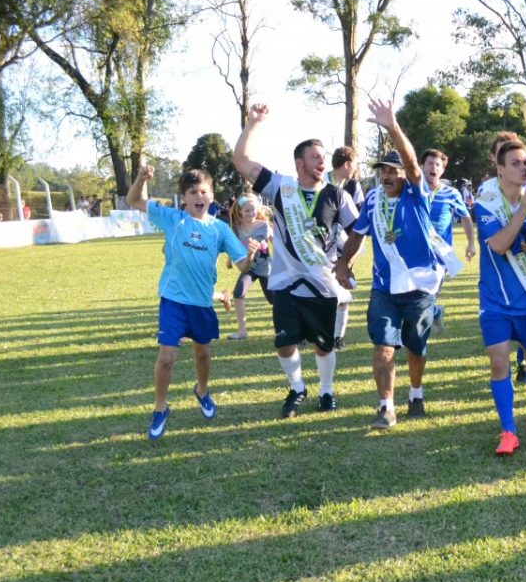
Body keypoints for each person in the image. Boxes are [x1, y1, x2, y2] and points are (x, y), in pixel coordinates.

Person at [335, 99, 460, 428]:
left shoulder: (418, 193)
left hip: (419, 286)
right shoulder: (374, 198)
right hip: (383, 286)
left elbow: (414, 165)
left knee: (415, 347)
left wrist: (392, 126)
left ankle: (415, 394)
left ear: (406, 175)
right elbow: (357, 234)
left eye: (394, 170)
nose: (388, 175)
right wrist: (344, 263)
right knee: (383, 346)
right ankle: (385, 406)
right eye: (383, 170)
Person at [232, 103, 359, 418]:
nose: (322, 161)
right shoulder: (280, 187)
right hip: (286, 281)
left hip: (323, 282)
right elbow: (241, 160)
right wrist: (253, 124)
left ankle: (326, 392)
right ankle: (297, 388)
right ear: (299, 162)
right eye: (316, 156)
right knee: (284, 343)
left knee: (323, 345)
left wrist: (346, 265)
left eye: (323, 156)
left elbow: (358, 232)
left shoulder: (336, 195)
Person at [125, 164, 259, 439]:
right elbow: (133, 200)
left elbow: (242, 265)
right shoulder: (173, 218)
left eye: (204, 191)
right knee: (166, 358)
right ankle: (160, 408)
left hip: (201, 304)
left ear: (211, 196)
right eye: (192, 192)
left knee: (203, 354)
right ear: (183, 198)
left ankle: (202, 390)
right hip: (173, 301)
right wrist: (141, 178)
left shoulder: (220, 230)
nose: (199, 196)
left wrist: (252, 255)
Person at [473, 139, 526, 455]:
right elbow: (498, 245)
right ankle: (508, 430)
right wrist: (524, 209)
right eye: (516, 163)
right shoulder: (486, 200)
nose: (524, 168)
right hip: (494, 300)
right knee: (498, 363)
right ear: (500, 168)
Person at [421, 147, 476, 333]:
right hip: (415, 252)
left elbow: (466, 218)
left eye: (438, 165)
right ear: (422, 166)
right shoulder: (412, 191)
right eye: (430, 163)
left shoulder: (451, 194)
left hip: (439, 255)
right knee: (416, 295)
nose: (433, 167)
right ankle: (435, 312)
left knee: (427, 295)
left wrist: (470, 243)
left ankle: (423, 329)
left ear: (442, 170)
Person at [328, 146, 367, 351]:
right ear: (347, 164)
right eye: (355, 165)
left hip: (344, 245)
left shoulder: (353, 186)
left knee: (343, 291)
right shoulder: (319, 183)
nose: (355, 170)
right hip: (317, 248)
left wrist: (351, 257)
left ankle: (337, 337)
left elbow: (360, 222)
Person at [225, 193, 274, 340]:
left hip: (266, 269)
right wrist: (229, 259)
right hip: (249, 268)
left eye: (253, 210)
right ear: (240, 211)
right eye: (247, 210)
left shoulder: (263, 225)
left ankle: (285, 329)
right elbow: (235, 245)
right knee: (238, 294)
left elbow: (276, 242)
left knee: (274, 300)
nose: (251, 213)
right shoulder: (237, 228)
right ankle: (242, 331)